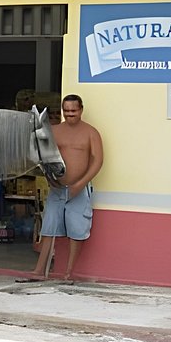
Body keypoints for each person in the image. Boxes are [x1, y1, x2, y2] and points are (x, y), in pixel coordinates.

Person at [31, 94, 103, 281]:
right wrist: (48, 177)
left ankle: (69, 273)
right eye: (67, 111)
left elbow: (97, 161)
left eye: (74, 111)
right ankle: (39, 271)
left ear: (81, 110)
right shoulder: (54, 131)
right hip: (57, 189)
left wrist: (80, 184)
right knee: (48, 228)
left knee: (76, 231)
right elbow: (43, 157)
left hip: (79, 189)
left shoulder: (91, 133)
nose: (70, 114)